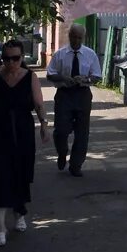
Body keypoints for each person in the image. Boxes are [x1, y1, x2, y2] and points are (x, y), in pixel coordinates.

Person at [0, 39, 48, 246]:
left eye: (15, 58)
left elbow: (39, 104)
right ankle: (0, 229)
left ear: (22, 57)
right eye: (6, 58)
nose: (11, 63)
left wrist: (44, 125)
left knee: (20, 174)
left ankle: (19, 212)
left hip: (23, 133)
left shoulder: (30, 77)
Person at [46, 23, 101, 177]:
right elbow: (50, 74)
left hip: (82, 95)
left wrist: (86, 79)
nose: (76, 41)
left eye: (79, 38)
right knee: (61, 130)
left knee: (82, 133)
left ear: (83, 38)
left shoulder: (90, 54)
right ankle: (62, 152)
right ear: (69, 36)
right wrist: (64, 78)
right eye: (73, 37)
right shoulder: (60, 54)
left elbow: (97, 75)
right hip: (64, 95)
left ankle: (76, 165)